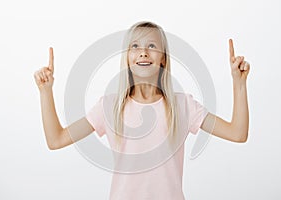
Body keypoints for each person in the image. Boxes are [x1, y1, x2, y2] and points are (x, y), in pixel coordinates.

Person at [34, 21, 250, 200]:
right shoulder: (108, 107)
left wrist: (239, 84)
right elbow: (57, 139)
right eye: (135, 46)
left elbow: (237, 134)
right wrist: (46, 91)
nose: (143, 53)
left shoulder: (183, 106)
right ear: (127, 57)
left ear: (163, 58)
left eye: (152, 46)